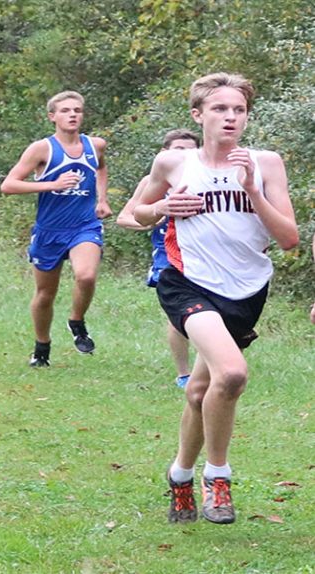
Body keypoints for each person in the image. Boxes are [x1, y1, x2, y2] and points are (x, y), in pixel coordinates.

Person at [133, 73, 298, 525]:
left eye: (238, 110)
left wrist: (251, 190)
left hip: (246, 290)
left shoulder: (266, 163)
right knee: (232, 373)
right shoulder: (172, 164)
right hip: (188, 282)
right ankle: (217, 477)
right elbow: (133, 214)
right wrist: (161, 209)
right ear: (197, 114)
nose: (230, 117)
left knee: (203, 391)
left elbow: (288, 238)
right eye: (220, 109)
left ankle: (179, 476)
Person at [0, 90, 111, 367]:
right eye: (65, 111)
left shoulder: (95, 145)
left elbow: (101, 168)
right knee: (45, 294)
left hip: (84, 226)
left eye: (77, 110)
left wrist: (102, 198)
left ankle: (76, 321)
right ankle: (42, 347)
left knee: (85, 276)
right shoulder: (41, 149)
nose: (72, 115)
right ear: (53, 116)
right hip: (49, 230)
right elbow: (9, 185)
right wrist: (52, 184)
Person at [116, 129, 200, 389]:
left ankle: (207, 368)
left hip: (202, 253)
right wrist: (153, 216)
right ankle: (184, 374)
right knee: (179, 315)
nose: (184, 155)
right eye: (178, 149)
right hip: (167, 255)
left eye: (190, 150)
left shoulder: (208, 177)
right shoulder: (152, 180)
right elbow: (125, 217)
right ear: (165, 153)